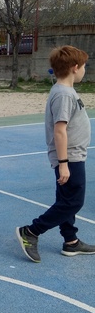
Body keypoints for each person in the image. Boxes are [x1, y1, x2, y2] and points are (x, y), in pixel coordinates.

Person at [16, 45, 95, 262]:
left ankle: (70, 241)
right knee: (73, 202)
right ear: (74, 67)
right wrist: (63, 163)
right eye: (84, 67)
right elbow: (60, 130)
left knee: (65, 199)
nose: (84, 71)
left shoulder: (65, 91)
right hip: (70, 157)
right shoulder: (63, 94)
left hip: (72, 156)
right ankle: (31, 231)